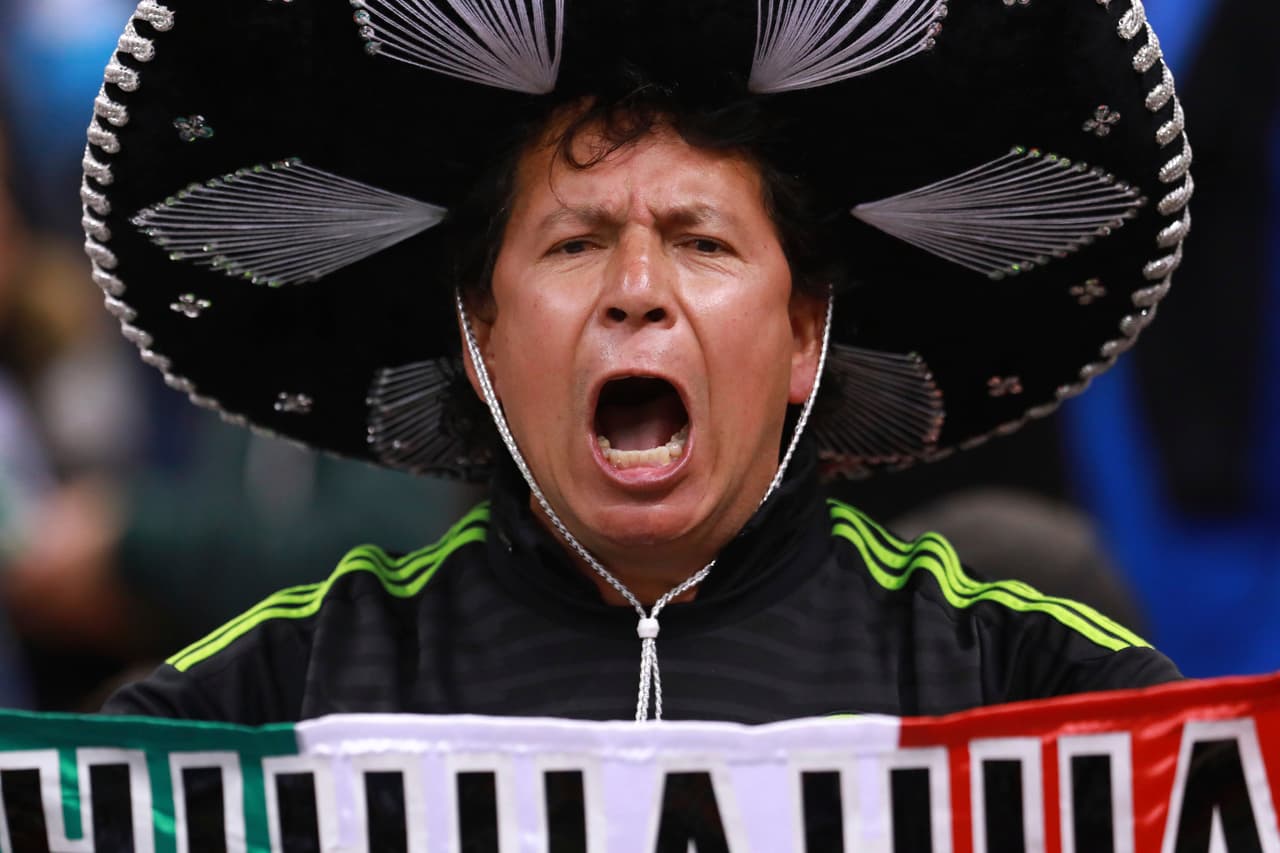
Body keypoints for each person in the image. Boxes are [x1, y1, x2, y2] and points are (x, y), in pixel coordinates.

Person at [86, 0, 1189, 723]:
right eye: (574, 244)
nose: (636, 289)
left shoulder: (1030, 688)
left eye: (702, 242)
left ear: (805, 333)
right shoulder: (286, 695)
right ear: (478, 338)